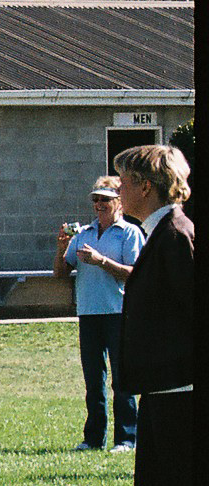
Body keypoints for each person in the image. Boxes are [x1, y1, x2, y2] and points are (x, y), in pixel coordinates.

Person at [106, 144, 193, 486]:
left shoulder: (176, 234)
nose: (118, 188)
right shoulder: (157, 233)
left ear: (146, 185)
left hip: (181, 393)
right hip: (161, 393)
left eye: (124, 180)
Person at [53, 178, 144, 452]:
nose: (99, 205)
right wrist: (61, 248)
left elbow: (135, 275)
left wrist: (101, 261)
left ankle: (126, 439)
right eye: (96, 200)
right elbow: (60, 273)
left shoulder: (129, 233)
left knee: (122, 380)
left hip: (119, 313)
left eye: (105, 199)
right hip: (89, 313)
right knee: (93, 381)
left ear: (119, 201)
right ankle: (93, 438)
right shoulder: (84, 233)